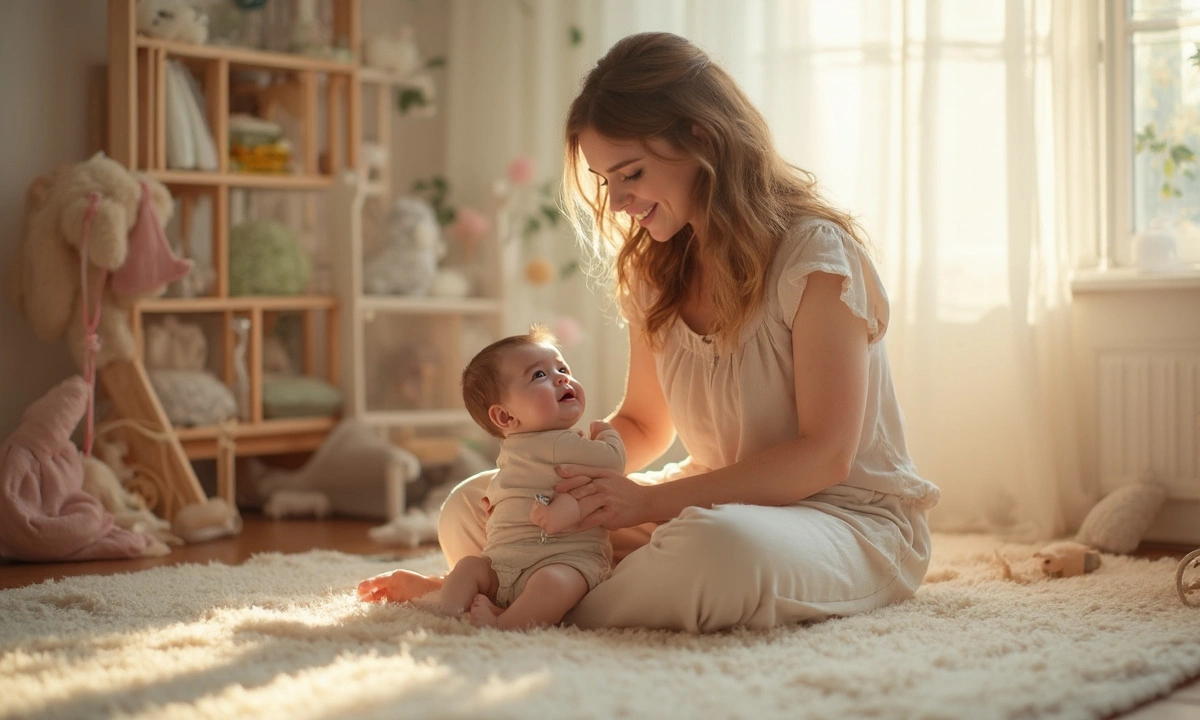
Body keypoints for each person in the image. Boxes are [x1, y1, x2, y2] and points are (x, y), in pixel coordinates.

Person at [415, 30, 939, 633]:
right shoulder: (654, 268)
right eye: (606, 180)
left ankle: (531, 603)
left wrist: (645, 504)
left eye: (630, 172)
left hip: (843, 520)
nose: (616, 202)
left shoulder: (815, 258)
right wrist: (548, 475)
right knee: (470, 507)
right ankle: (548, 591)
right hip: (711, 499)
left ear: (702, 137)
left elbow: (824, 457)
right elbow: (642, 424)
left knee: (716, 551)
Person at [357, 326, 624, 629]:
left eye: (562, 368)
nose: (562, 377)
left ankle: (488, 616)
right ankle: (449, 602)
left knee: (551, 583)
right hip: (507, 561)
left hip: (566, 561)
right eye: (540, 375)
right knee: (472, 566)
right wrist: (609, 434)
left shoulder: (526, 449)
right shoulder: (563, 445)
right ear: (506, 417)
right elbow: (614, 460)